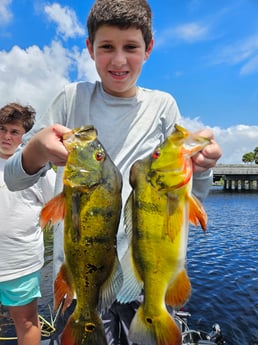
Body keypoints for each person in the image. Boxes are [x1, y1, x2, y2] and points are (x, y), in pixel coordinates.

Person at [4, 0, 222, 344]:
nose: (119, 60)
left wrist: (204, 168)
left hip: (144, 276)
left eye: (131, 47)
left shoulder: (163, 106)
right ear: (90, 48)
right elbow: (14, 178)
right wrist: (35, 149)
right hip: (84, 281)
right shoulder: (70, 99)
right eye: (106, 47)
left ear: (148, 49)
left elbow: (192, 195)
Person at [0, 103, 56, 345]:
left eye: (14, 132)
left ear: (25, 136)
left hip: (19, 264)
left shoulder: (37, 168)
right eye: (2, 129)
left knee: (26, 322)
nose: (6, 136)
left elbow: (60, 209)